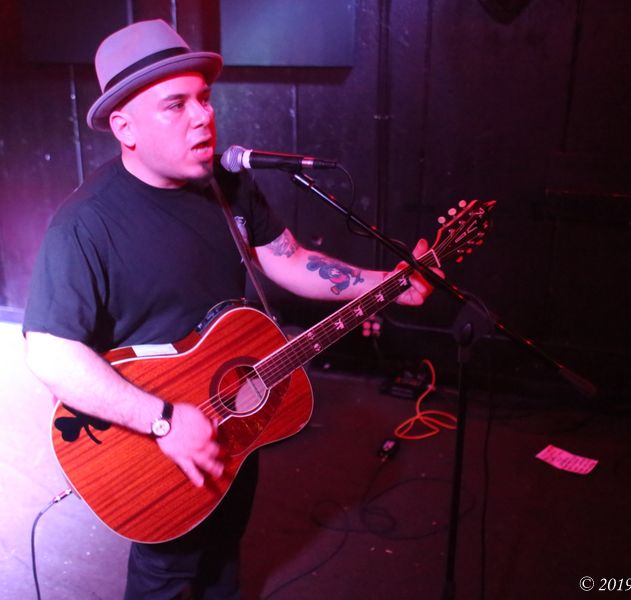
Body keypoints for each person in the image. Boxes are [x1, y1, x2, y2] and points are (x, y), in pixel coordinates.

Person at [23, 19, 434, 600]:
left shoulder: (226, 184)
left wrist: (387, 281)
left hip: (233, 403)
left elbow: (289, 260)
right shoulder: (85, 225)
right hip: (153, 434)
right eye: (175, 105)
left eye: (203, 98)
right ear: (124, 127)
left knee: (222, 551)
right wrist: (162, 419)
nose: (202, 117)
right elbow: (50, 353)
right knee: (167, 572)